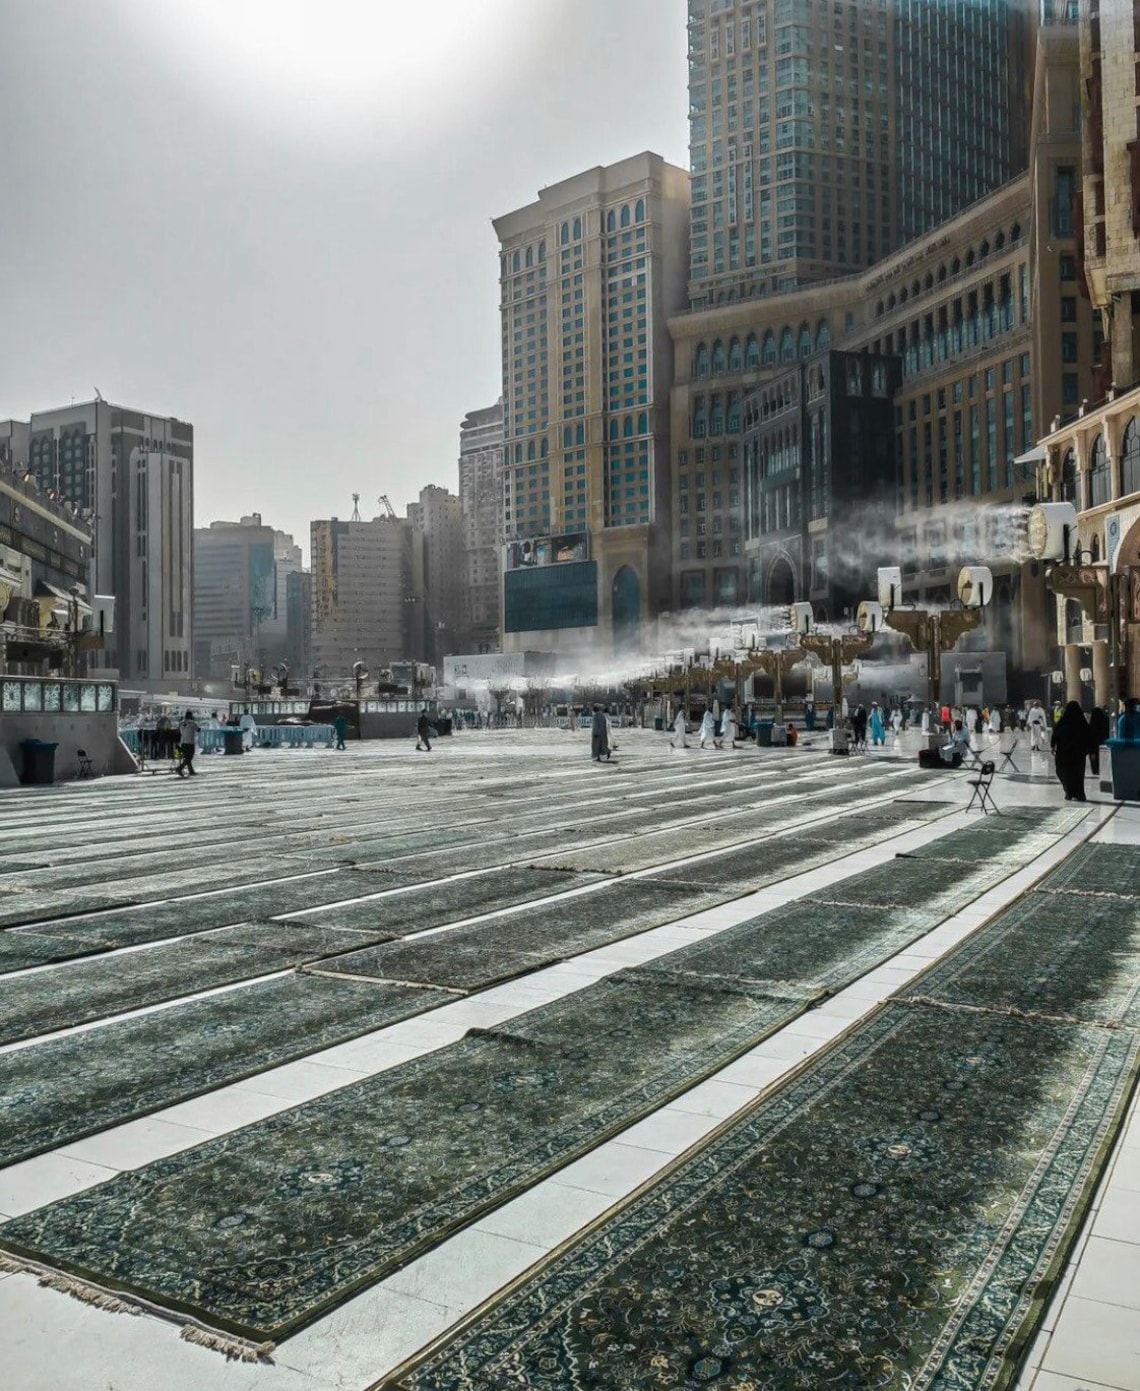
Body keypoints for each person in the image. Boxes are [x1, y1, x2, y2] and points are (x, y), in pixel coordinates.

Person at [1051, 701, 1092, 801]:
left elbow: (1055, 734)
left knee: (1064, 772)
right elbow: (1089, 736)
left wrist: (1053, 746)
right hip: (1078, 754)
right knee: (1077, 774)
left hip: (1064, 753)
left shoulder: (1063, 721)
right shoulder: (1082, 722)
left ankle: (1069, 792)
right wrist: (1087, 750)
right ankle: (1078, 794)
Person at [1088, 705, 1110, 777]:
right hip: (1103, 742)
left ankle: (1095, 770)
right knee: (1103, 757)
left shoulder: (1092, 722)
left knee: (1094, 757)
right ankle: (1102, 769)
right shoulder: (1105, 719)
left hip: (1093, 744)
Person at [177, 711, 199, 777]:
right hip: (190, 742)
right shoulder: (193, 723)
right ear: (191, 716)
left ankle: (191, 771)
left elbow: (179, 730)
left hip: (183, 743)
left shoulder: (181, 723)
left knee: (186, 757)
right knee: (189, 757)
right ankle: (179, 768)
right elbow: (198, 730)